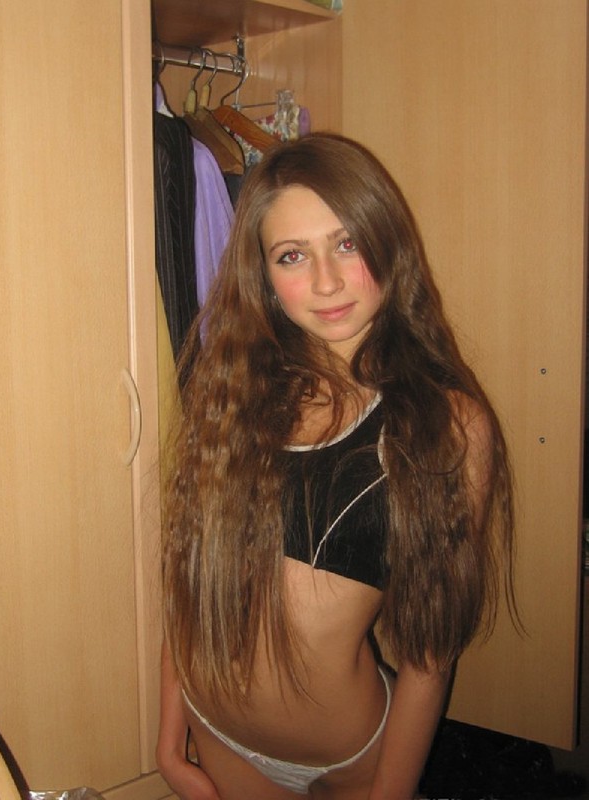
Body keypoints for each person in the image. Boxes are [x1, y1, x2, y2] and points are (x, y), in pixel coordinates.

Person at [156, 133, 517, 800]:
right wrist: (168, 741)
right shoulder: (234, 391)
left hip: (348, 757)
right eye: (292, 255)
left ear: (388, 242)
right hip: (217, 734)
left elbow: (429, 653)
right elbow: (192, 578)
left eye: (346, 243)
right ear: (264, 276)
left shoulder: (446, 424)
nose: (325, 282)